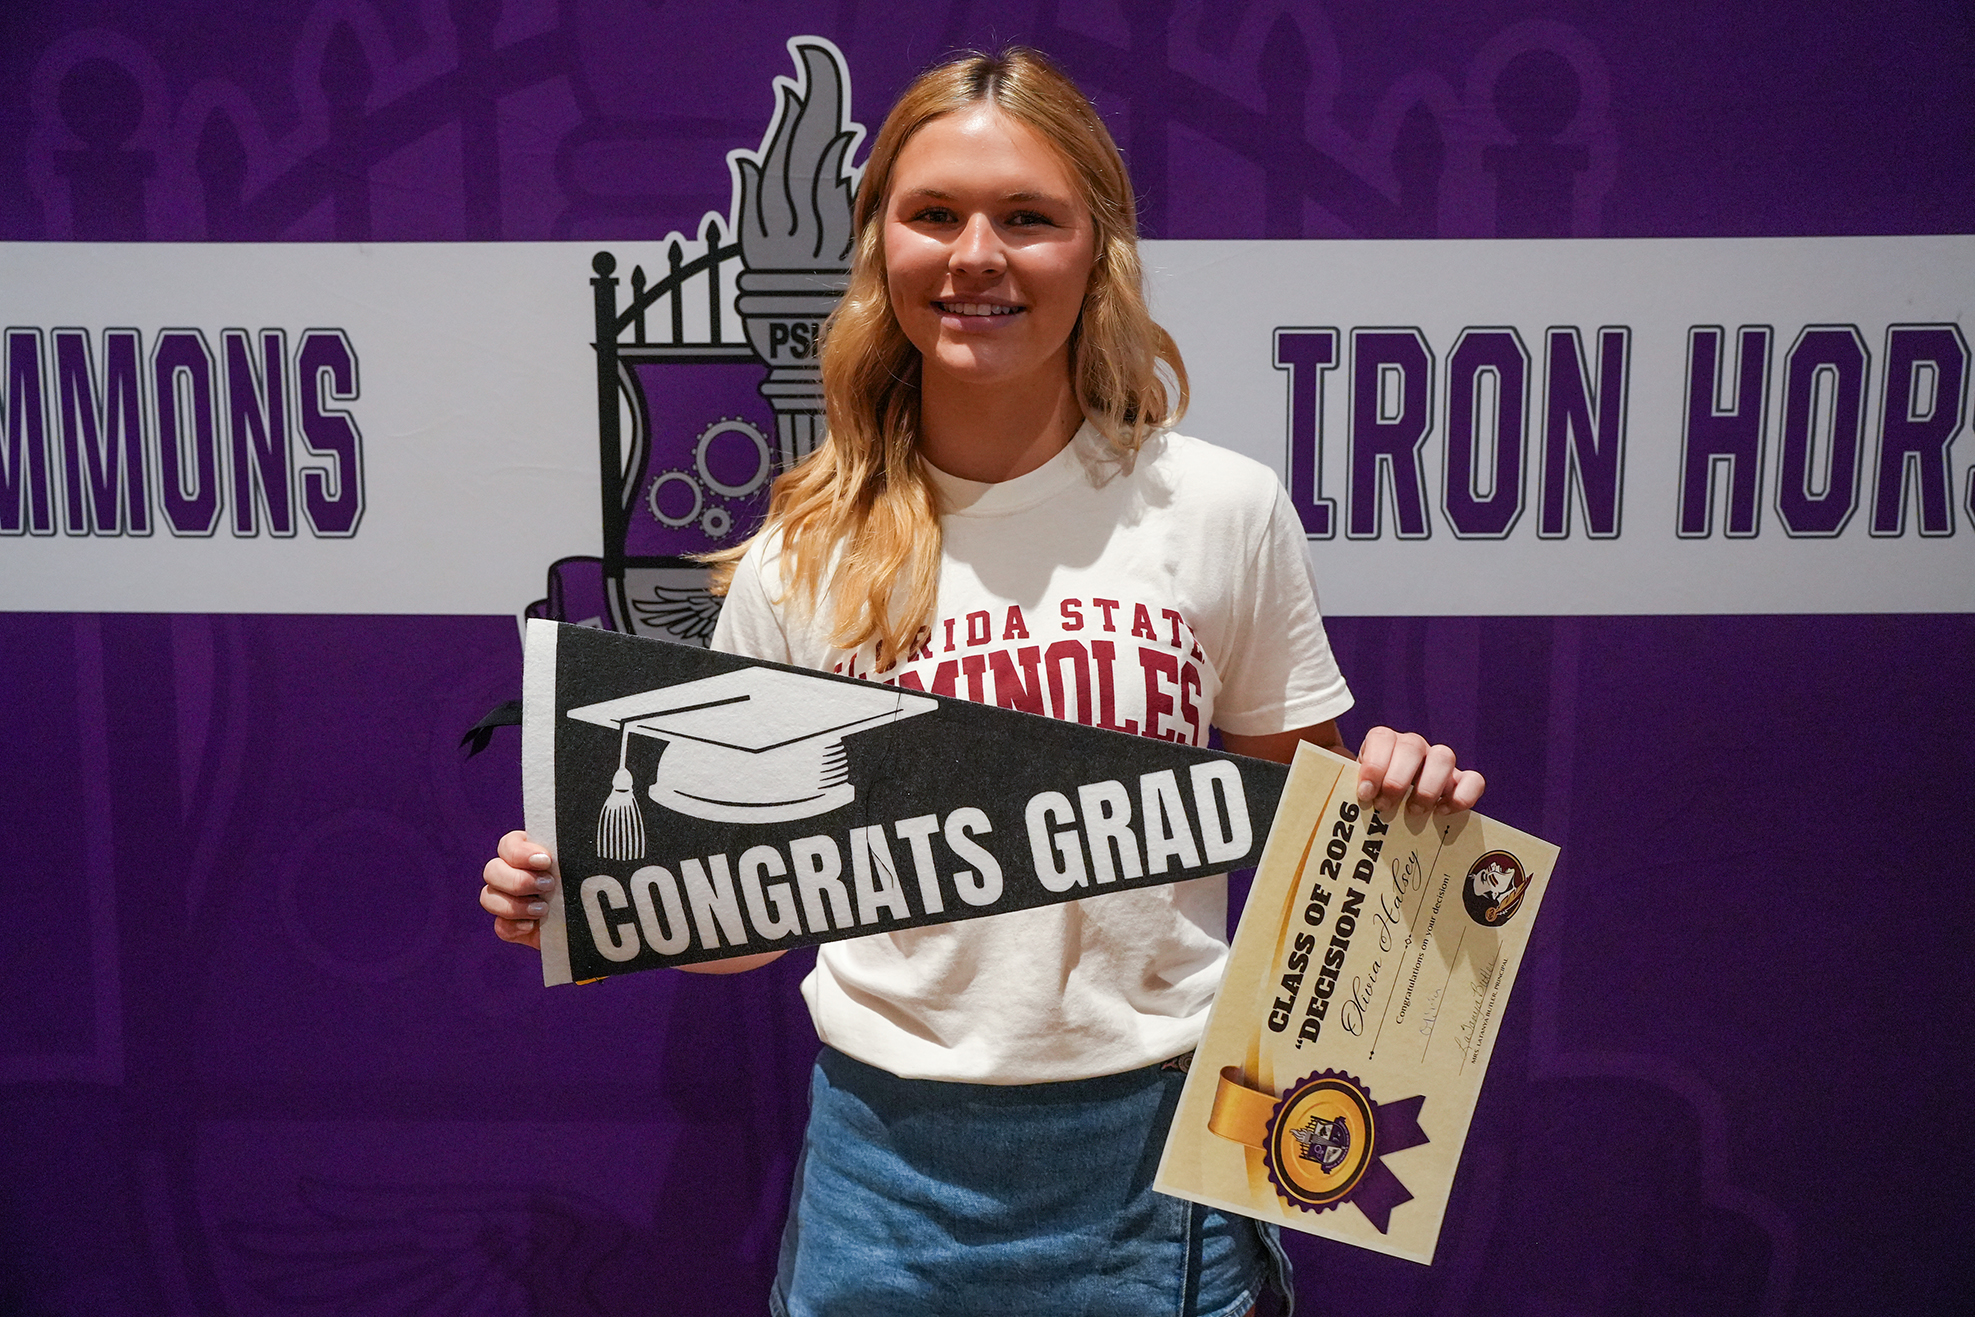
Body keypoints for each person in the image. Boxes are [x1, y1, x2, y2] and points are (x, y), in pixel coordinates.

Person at [482, 47, 1483, 1317]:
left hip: (1156, 1163)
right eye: (934, 214)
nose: (975, 257)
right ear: (879, 247)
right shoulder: (804, 551)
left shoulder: (1218, 508)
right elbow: (753, 917)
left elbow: (1305, 846)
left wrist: (1392, 806)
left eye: (1027, 218)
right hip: (882, 1175)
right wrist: (596, 893)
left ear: (1095, 250)